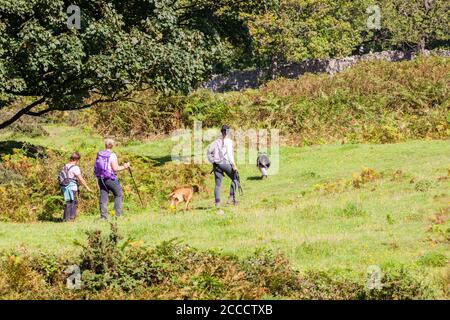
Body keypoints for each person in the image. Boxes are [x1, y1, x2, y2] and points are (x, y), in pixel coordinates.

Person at [94, 138, 130, 220]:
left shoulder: (99, 154)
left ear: (105, 145)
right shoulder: (112, 155)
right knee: (118, 195)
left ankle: (103, 217)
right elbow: (115, 168)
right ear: (112, 145)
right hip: (110, 178)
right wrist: (125, 166)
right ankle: (117, 215)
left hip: (101, 178)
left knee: (103, 197)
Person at [208, 125, 239, 208]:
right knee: (235, 179)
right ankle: (230, 199)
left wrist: (214, 162)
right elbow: (229, 155)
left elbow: (210, 152)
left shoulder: (216, 141)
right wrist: (234, 165)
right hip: (224, 162)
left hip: (216, 164)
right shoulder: (228, 141)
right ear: (228, 132)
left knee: (217, 185)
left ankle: (217, 204)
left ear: (221, 131)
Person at [60, 152, 92, 222]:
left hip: (64, 187)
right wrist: (87, 187)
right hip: (72, 187)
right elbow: (80, 179)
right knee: (72, 202)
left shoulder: (64, 166)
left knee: (68, 201)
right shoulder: (75, 167)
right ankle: (70, 219)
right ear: (77, 160)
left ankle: (66, 218)